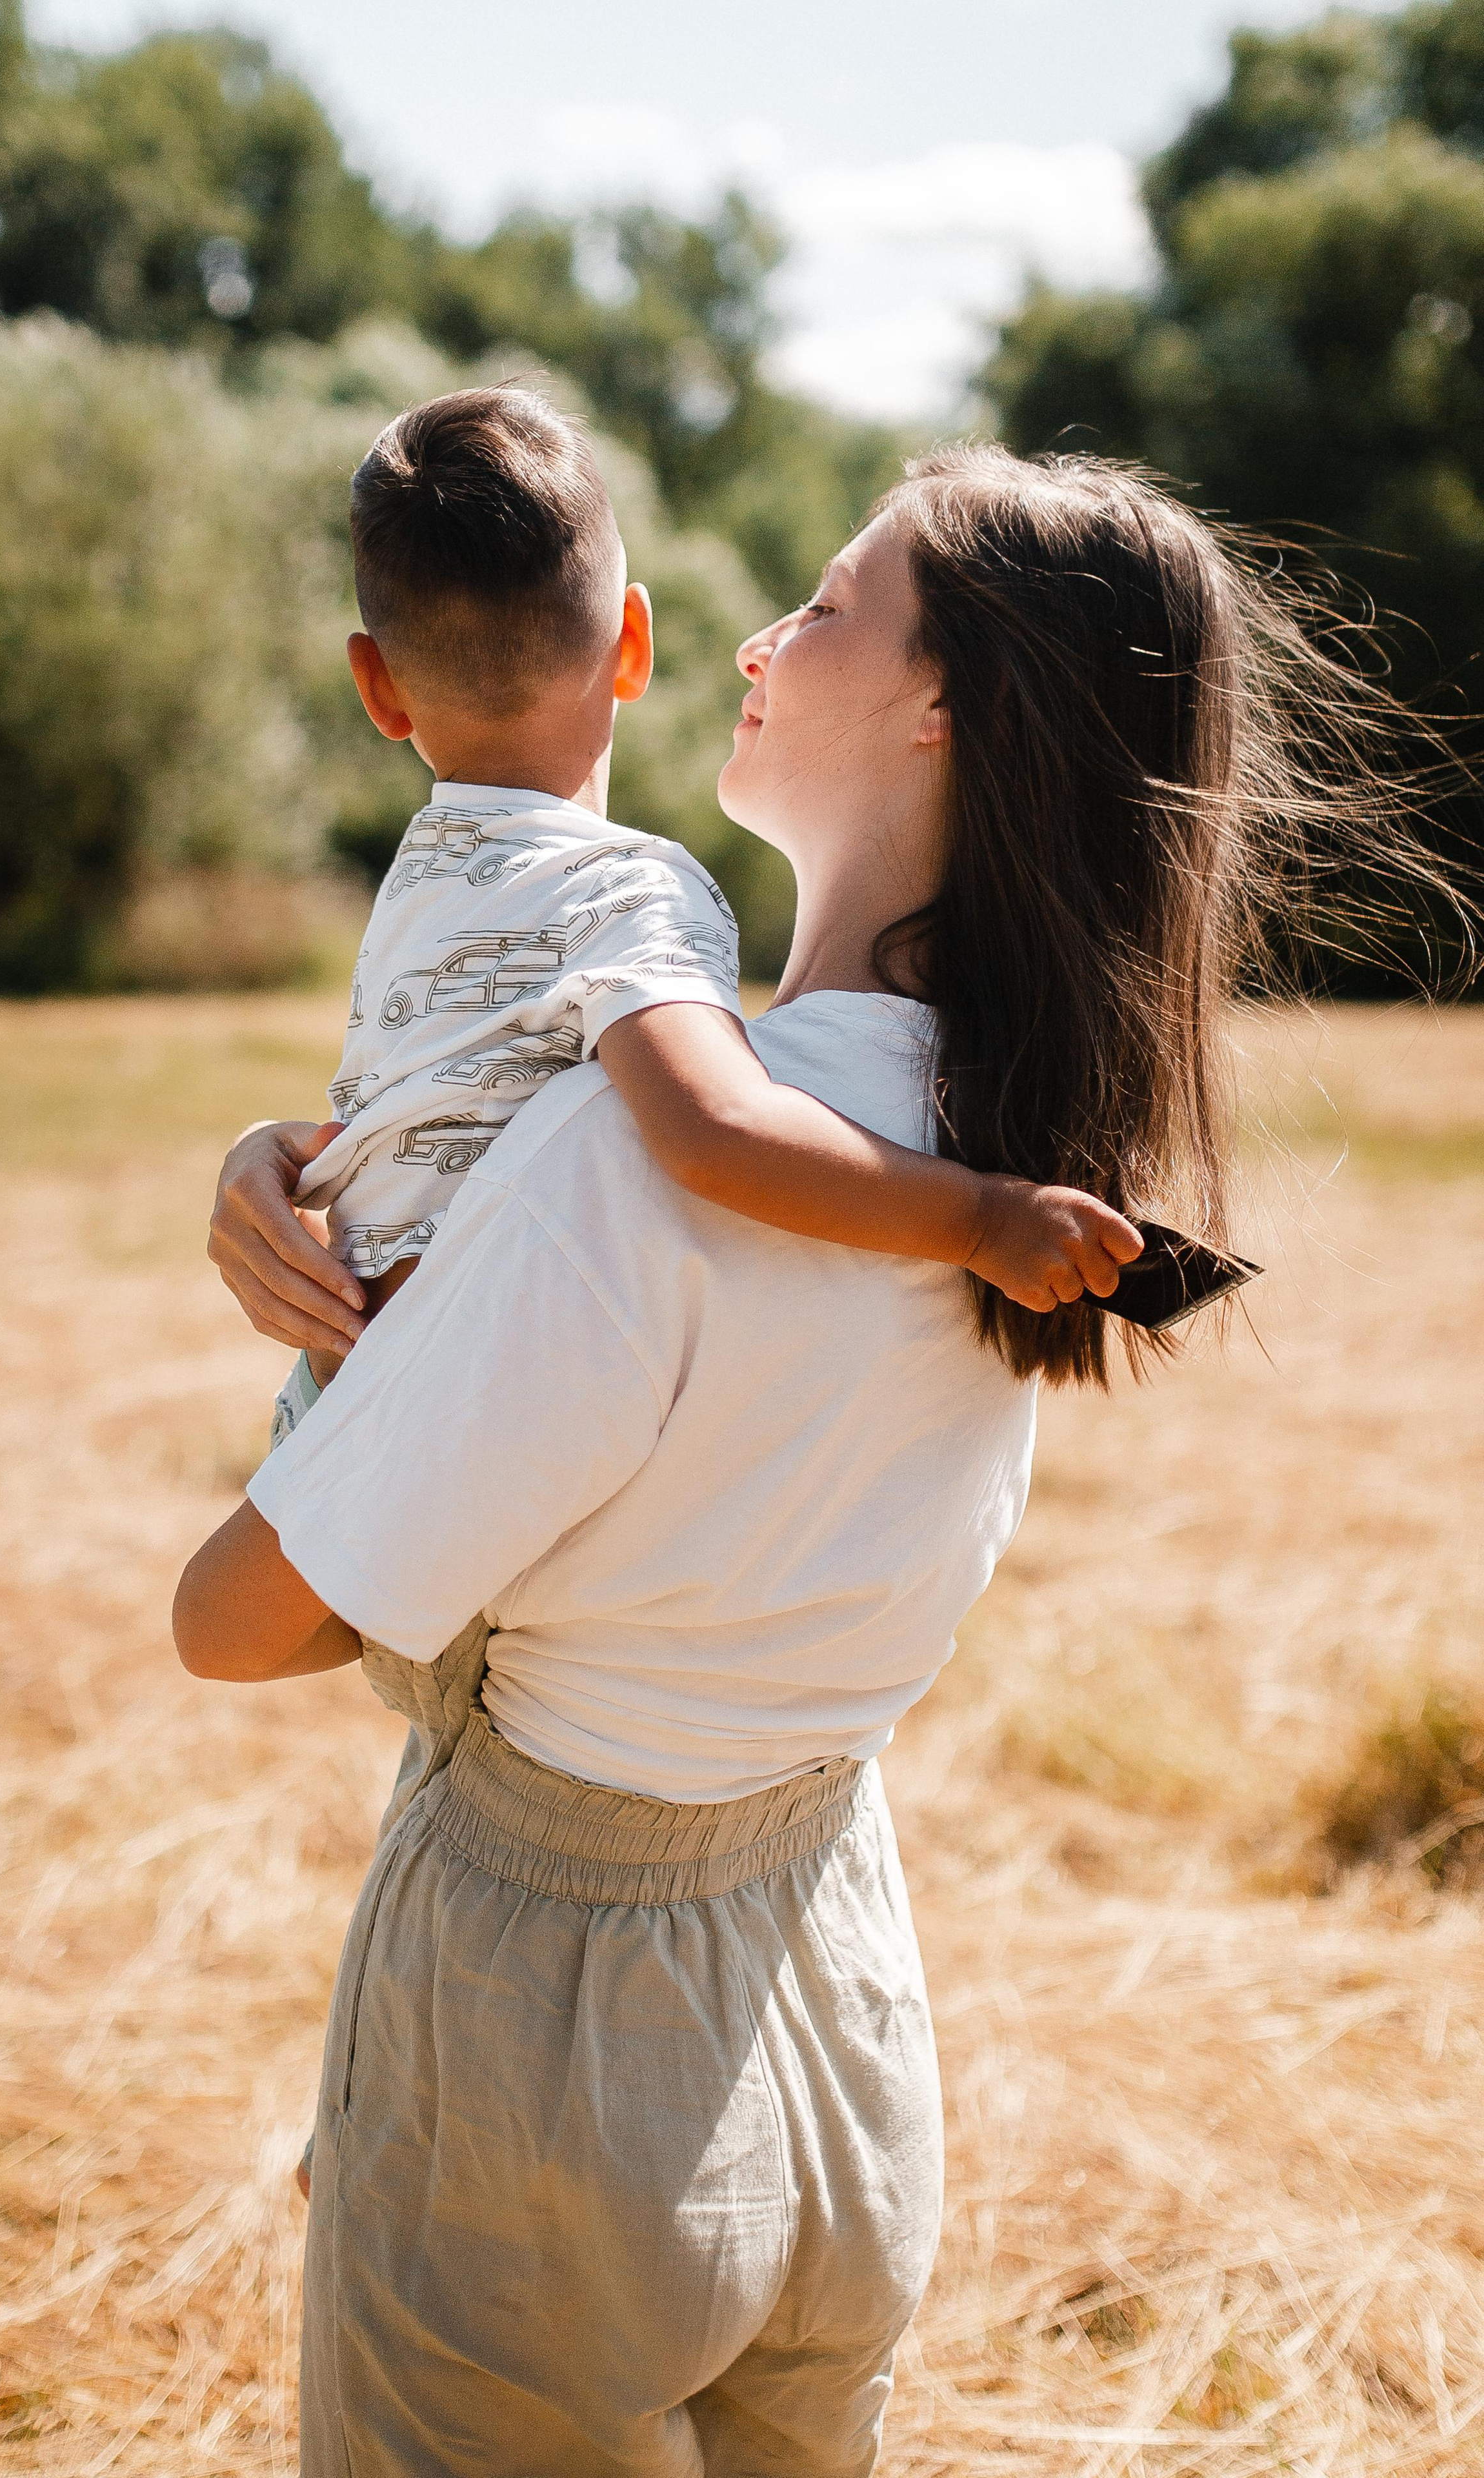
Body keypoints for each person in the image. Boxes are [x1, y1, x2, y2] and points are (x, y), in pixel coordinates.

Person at [179, 443, 1454, 2475]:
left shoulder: (634, 1168)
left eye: (832, 604)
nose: (758, 642)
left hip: (550, 2063)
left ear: (946, 704)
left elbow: (245, 1624)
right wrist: (315, 1168)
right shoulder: (1027, 1157)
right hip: (842, 2009)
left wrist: (346, 1344)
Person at [217, 383, 1140, 1462]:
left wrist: (272, 1153)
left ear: (377, 689)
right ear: (634, 641)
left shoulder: (419, 879)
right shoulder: (629, 891)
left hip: (329, 1394)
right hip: (447, 1403)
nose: (759, 645)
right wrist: (979, 1219)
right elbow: (715, 1130)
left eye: (824, 608)